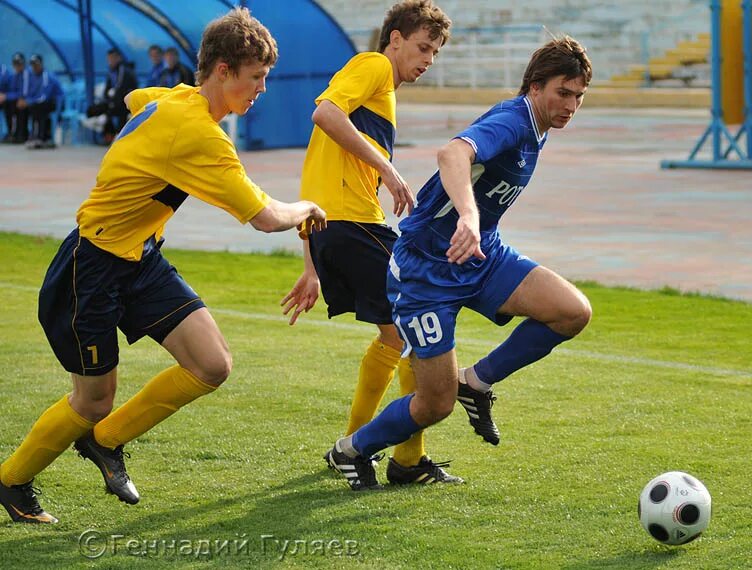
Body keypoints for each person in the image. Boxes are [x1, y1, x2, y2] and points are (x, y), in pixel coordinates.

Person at [0, 7, 326, 524]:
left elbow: (136, 99)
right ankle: (12, 482)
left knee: (212, 364)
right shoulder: (198, 133)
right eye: (256, 78)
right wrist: (307, 206)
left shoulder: (171, 98)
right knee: (92, 400)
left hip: (141, 258)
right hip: (94, 266)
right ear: (222, 71)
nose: (262, 89)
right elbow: (266, 218)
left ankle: (104, 444)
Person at [326, 36, 594, 488]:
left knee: (572, 312)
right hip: (425, 271)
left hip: (481, 256)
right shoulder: (514, 119)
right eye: (562, 93)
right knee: (435, 404)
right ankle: (350, 451)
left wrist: (475, 227)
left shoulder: (539, 127)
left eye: (579, 96)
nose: (570, 105)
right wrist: (468, 215)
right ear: (534, 88)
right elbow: (453, 153)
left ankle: (478, 382)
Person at [281, 0, 456, 490]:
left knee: (395, 337)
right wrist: (388, 167)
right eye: (423, 47)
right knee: (417, 334)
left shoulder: (383, 91)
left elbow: (319, 171)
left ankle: (365, 446)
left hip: (336, 227)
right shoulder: (374, 65)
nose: (427, 59)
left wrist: (312, 260)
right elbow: (324, 113)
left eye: (436, 53)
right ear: (395, 38)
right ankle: (397, 457)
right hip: (354, 224)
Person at [84, 47, 138, 143]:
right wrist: (108, 99)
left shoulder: (124, 70)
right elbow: (107, 89)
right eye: (109, 59)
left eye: (112, 58)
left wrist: (111, 100)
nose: (110, 61)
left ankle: (118, 135)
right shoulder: (111, 72)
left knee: (118, 111)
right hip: (113, 101)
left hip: (125, 102)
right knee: (92, 110)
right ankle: (108, 134)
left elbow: (120, 88)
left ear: (118, 58)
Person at [24, 54, 64, 149]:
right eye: (32, 65)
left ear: (41, 64)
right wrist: (27, 101)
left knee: (38, 107)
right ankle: (34, 135)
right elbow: (30, 93)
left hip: (54, 102)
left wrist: (29, 102)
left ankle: (41, 137)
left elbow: (44, 97)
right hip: (40, 103)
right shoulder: (32, 76)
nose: (34, 67)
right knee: (32, 108)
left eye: (36, 65)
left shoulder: (47, 76)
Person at [0, 52, 31, 143]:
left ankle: (21, 133)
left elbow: (24, 93)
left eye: (19, 64)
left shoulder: (27, 74)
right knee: (7, 104)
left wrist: (6, 96)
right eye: (15, 64)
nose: (17, 66)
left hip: (30, 100)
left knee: (20, 106)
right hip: (19, 100)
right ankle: (11, 132)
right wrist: (5, 96)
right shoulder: (14, 75)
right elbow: (12, 91)